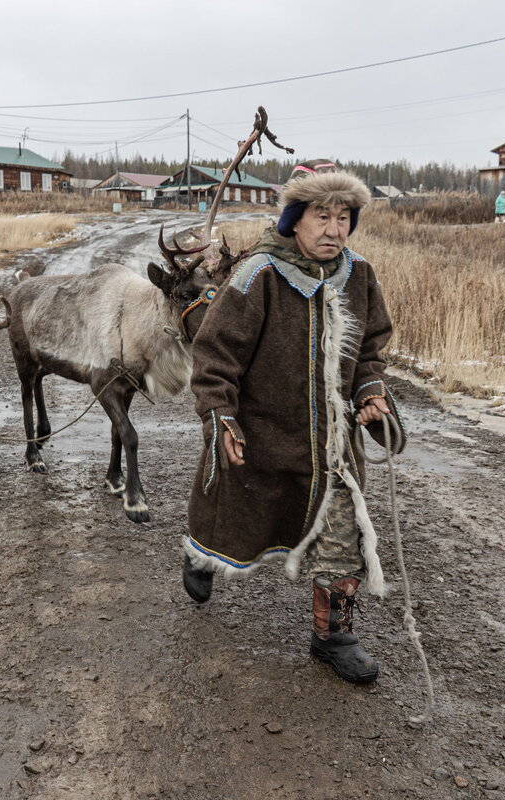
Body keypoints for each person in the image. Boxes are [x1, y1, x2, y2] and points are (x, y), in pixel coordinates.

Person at [181, 159, 406, 684]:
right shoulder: (257, 275)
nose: (334, 229)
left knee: (343, 530)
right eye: (321, 216)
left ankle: (334, 636)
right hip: (260, 434)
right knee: (232, 511)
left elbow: (371, 350)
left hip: (334, 445)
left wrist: (370, 391)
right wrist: (221, 417)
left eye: (344, 217)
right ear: (294, 220)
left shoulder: (360, 275)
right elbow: (214, 358)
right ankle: (202, 554)